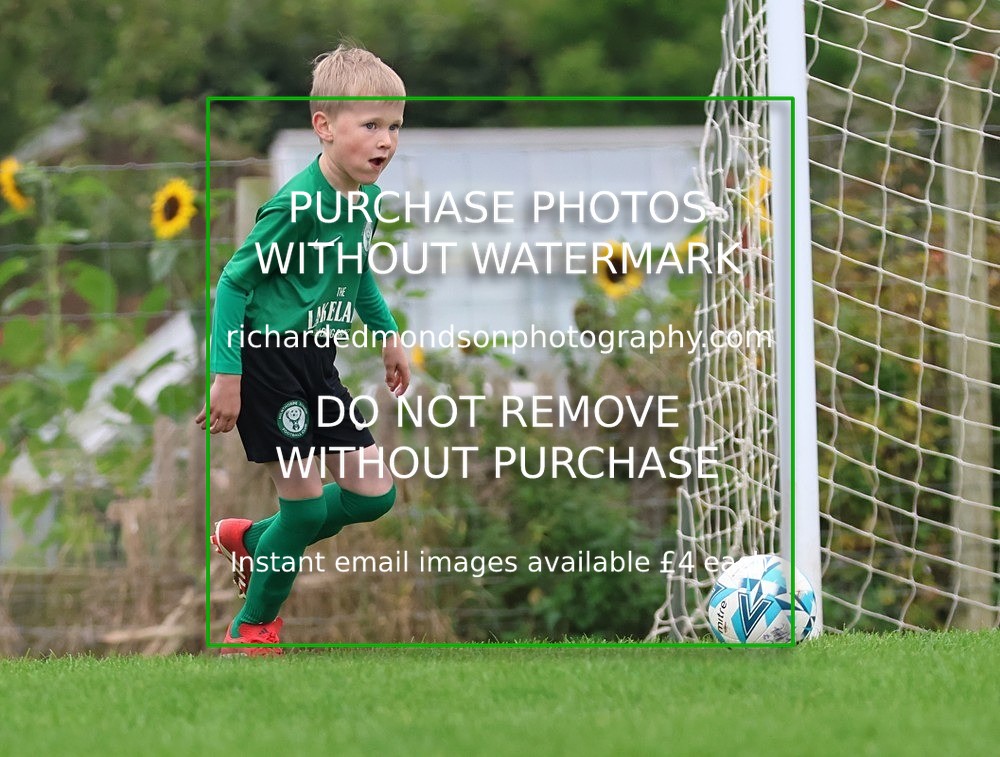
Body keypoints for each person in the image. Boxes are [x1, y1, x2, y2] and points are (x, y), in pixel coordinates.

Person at [196, 45, 409, 655]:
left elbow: (357, 273)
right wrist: (227, 375)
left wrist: (388, 336)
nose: (386, 141)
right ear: (324, 127)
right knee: (307, 506)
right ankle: (251, 628)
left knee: (375, 494)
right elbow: (233, 283)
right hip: (265, 360)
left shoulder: (363, 201)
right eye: (370, 126)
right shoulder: (295, 206)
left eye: (394, 127)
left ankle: (255, 538)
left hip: (316, 357)